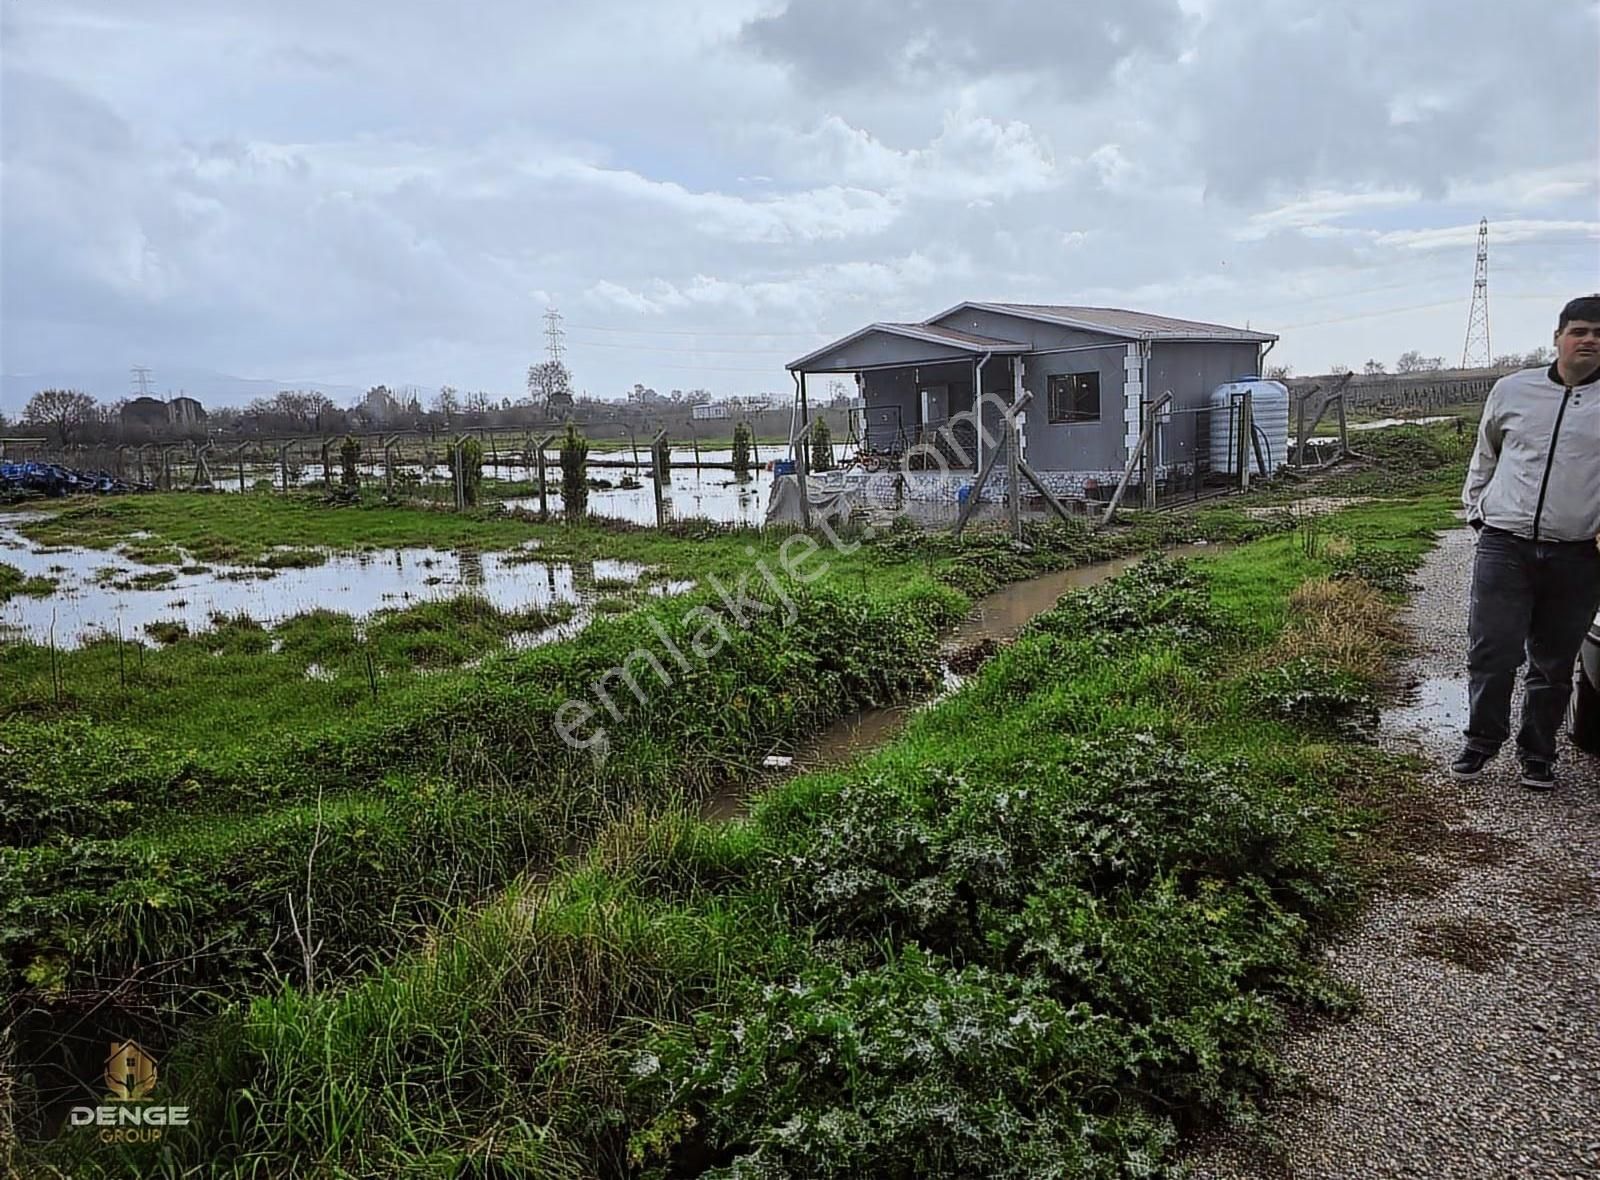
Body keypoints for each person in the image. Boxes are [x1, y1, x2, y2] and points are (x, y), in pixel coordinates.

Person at [1454, 294, 1600, 789]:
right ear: (1558, 337)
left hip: (1578, 552)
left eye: (1599, 334)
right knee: (1492, 651)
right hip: (1505, 544)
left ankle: (1537, 753)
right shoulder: (1513, 390)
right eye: (1579, 331)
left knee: (1554, 663)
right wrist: (1478, 511)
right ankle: (1480, 741)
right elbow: (1486, 453)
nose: (1589, 340)